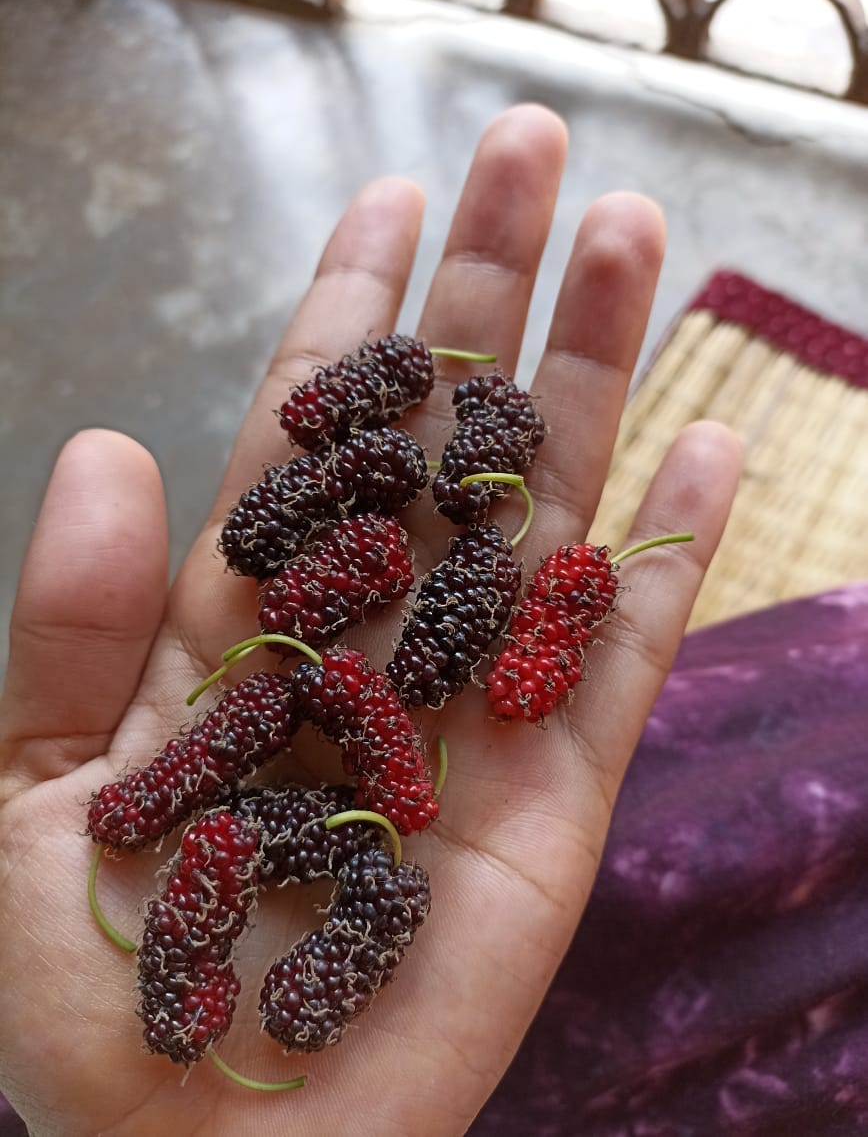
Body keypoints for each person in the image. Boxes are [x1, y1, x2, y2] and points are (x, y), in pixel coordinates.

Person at [0, 104, 741, 1136]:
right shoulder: (368, 538)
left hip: (371, 709)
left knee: (295, 800)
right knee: (258, 804)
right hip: (335, 718)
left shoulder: (447, 540)